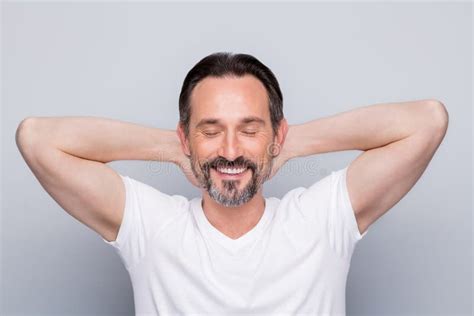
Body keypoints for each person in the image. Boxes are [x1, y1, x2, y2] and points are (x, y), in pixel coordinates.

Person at [15, 52, 448, 316]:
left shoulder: (322, 220)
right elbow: (37, 138)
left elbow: (427, 120)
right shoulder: (150, 227)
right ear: (186, 135)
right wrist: (174, 147)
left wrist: (287, 146)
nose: (230, 149)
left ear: (276, 133)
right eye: (210, 129)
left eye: (249, 128)